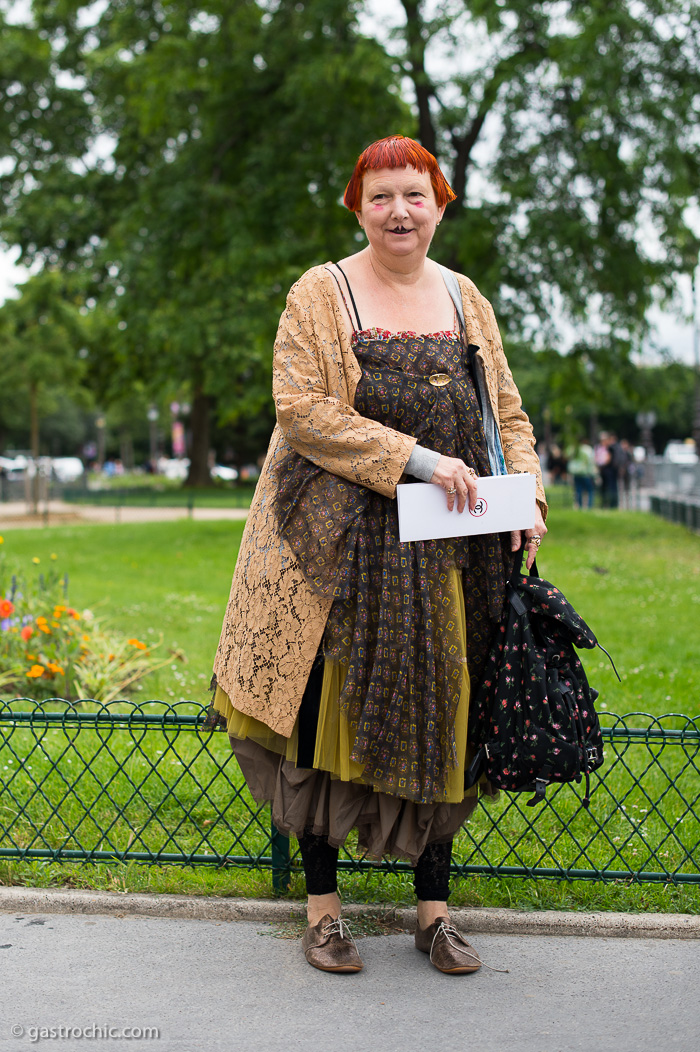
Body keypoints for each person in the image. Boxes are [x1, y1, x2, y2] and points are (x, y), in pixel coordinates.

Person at [204, 136, 547, 975]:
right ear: (357, 205)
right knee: (331, 719)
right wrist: (420, 462)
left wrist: (528, 489)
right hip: (337, 552)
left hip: (453, 558)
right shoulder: (322, 294)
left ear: (440, 205)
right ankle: (324, 915)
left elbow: (504, 410)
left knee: (447, 714)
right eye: (383, 195)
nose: (400, 211)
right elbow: (300, 409)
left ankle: (434, 914)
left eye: (416, 195)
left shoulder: (466, 299)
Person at [566, 436, 596, 509]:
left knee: (578, 490)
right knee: (590, 490)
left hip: (576, 472)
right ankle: (589, 506)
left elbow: (567, 456)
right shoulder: (588, 449)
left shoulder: (574, 449)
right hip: (586, 473)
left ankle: (579, 505)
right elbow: (591, 462)